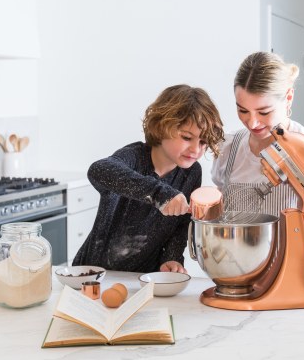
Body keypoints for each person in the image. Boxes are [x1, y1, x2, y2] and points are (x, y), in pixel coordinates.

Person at [211, 51, 304, 284]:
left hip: (299, 290)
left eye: (264, 112)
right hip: (237, 285)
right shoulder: (229, 149)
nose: (253, 122)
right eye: (243, 110)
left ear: (288, 98)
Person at [72, 84, 224, 274]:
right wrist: (159, 194)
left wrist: (172, 257)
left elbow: (181, 224)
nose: (196, 150)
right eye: (186, 137)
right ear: (161, 127)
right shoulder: (134, 157)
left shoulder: (191, 172)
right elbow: (99, 169)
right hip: (94, 273)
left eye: (203, 142)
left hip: (145, 277)